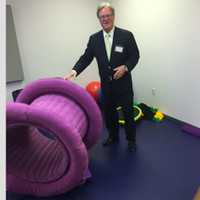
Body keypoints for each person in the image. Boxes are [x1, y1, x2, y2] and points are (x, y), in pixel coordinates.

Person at [64, 2, 140, 152]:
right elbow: (86, 58)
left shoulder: (126, 35)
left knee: (128, 113)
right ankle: (113, 136)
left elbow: (135, 56)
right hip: (106, 85)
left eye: (108, 15)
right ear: (99, 19)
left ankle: (131, 140)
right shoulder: (94, 39)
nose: (105, 19)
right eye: (102, 16)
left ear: (113, 16)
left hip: (124, 85)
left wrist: (125, 67)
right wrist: (74, 71)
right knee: (110, 114)